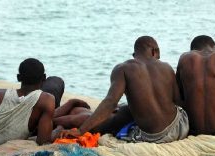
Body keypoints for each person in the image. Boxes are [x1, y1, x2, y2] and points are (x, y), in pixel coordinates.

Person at [59, 36, 189, 143]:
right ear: (155, 52)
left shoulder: (123, 69)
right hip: (180, 129)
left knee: (122, 111)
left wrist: (81, 130)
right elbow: (177, 101)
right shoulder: (166, 67)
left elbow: (110, 102)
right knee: (126, 109)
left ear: (134, 55)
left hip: (154, 137)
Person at [0, 58, 64, 155]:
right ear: (44, 78)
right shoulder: (47, 99)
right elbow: (43, 142)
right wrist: (59, 129)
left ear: (18, 77)